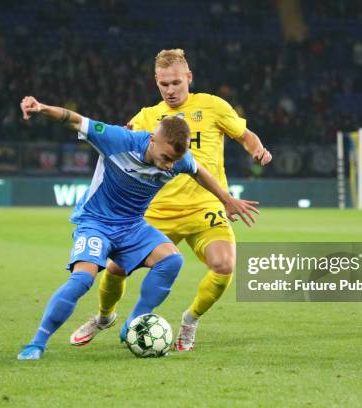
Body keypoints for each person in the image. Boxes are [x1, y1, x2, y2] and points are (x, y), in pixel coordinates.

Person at [16, 95, 259, 360]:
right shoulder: (117, 139)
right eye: (165, 157)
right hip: (96, 223)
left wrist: (227, 200)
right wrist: (41, 108)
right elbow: (73, 120)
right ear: (153, 139)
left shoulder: (179, 159)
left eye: (173, 161)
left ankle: (133, 322)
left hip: (132, 226)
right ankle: (37, 343)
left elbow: (200, 171)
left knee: (171, 261)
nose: (168, 165)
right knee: (83, 279)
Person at [71, 49, 272, 351]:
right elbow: (118, 144)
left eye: (176, 82)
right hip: (157, 211)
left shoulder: (213, 106)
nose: (171, 90)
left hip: (204, 207)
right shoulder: (147, 117)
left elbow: (245, 135)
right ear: (156, 82)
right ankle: (103, 318)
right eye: (164, 84)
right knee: (114, 270)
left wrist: (257, 149)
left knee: (225, 264)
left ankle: (190, 321)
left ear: (188, 78)